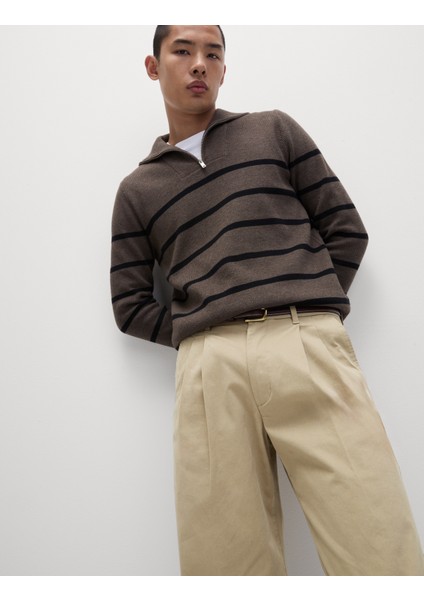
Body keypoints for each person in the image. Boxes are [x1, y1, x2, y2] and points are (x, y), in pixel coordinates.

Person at [110, 25, 423, 576]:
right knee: (225, 561)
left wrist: (308, 301)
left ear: (224, 67)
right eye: (183, 51)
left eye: (213, 53)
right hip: (210, 366)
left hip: (305, 341)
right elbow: (130, 303)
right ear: (153, 67)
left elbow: (346, 231)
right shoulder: (137, 190)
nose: (199, 63)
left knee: (375, 535)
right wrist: (198, 332)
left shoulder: (272, 130)